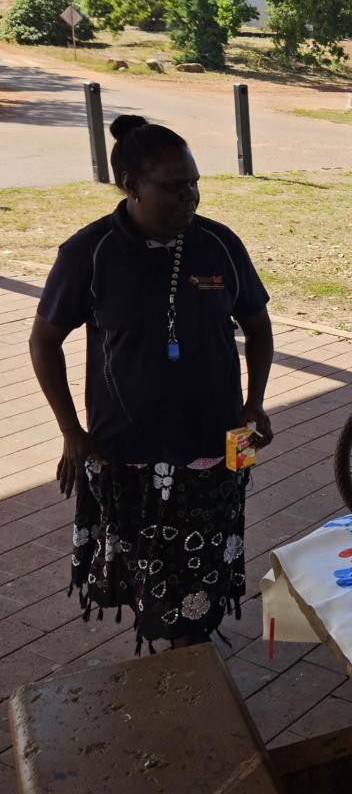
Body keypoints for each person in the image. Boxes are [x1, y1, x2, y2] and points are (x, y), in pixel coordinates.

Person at [29, 115, 274, 653]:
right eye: (174, 186)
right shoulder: (89, 253)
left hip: (218, 443)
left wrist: (254, 403)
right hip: (125, 450)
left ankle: (189, 658)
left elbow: (258, 327)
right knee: (144, 568)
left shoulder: (220, 244)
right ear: (132, 186)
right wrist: (70, 431)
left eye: (194, 183)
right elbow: (44, 341)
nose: (190, 197)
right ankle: (182, 662)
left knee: (203, 567)